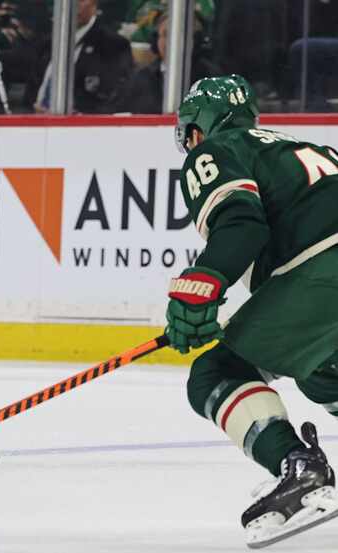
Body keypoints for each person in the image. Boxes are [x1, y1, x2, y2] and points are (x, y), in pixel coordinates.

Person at [168, 74, 338, 547]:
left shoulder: (216, 150)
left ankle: (300, 471)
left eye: (189, 131)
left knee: (216, 372)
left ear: (200, 126)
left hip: (327, 269)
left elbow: (241, 224)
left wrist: (199, 286)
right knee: (322, 372)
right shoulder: (303, 148)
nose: (190, 143)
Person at [34, 0, 132, 113]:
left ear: (95, 4)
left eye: (81, 0)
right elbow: (30, 91)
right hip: (35, 123)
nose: (74, 5)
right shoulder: (47, 42)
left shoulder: (113, 45)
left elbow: (114, 101)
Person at [119, 12, 220, 114]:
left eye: (180, 34)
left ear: (197, 40)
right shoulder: (140, 78)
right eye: (165, 34)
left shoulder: (212, 79)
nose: (172, 41)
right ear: (155, 40)